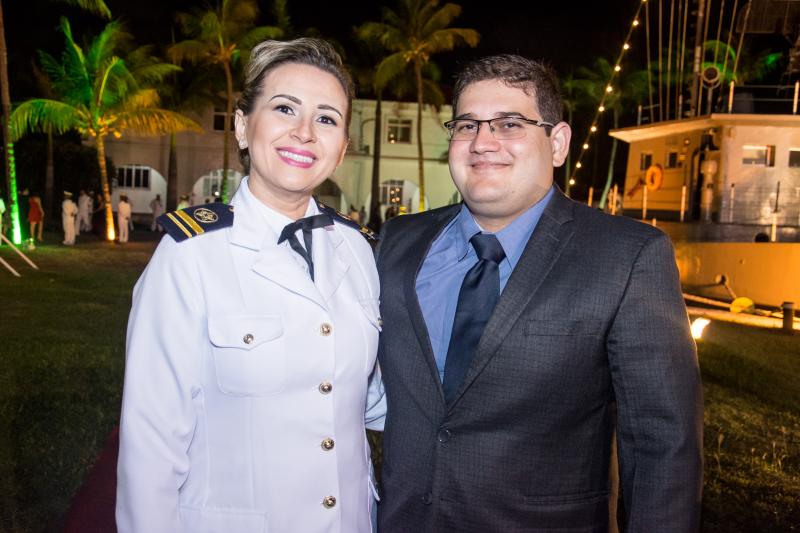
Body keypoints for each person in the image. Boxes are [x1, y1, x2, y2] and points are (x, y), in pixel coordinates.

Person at [375, 54, 703, 532]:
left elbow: (662, 443)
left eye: (509, 124)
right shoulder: (396, 243)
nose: (482, 142)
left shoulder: (627, 257)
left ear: (558, 143)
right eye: (467, 125)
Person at [117, 38, 385, 533]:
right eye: (284, 109)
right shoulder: (189, 255)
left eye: (327, 119)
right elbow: (151, 442)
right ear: (243, 126)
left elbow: (367, 398)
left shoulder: (358, 251)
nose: (304, 132)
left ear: (343, 147)